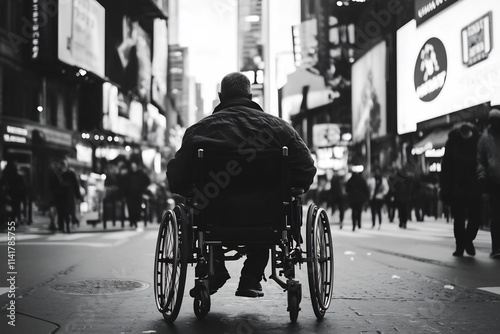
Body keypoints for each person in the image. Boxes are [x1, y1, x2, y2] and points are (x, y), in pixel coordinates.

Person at [166, 72, 316, 298]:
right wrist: (291, 188)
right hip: (268, 216)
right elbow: (305, 169)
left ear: (220, 96)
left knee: (205, 208)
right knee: (265, 210)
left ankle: (214, 269)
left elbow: (177, 178)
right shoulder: (281, 129)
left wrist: (191, 190)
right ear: (250, 94)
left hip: (214, 216)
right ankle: (251, 277)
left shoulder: (199, 131)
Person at [440, 122, 481, 257]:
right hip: (456, 187)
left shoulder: (478, 140)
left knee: (475, 217)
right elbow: (445, 168)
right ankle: (460, 246)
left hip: (474, 186)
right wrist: (445, 189)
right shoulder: (452, 142)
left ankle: (468, 240)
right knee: (459, 218)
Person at [477, 108, 500, 259]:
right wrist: (482, 175)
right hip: (493, 180)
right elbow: (480, 160)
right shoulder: (484, 139)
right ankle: (496, 247)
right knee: (496, 216)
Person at [54, 158, 82, 233]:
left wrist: (78, 196)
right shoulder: (57, 174)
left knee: (70, 212)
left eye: (64, 164)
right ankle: (63, 227)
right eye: (61, 164)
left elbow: (76, 185)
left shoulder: (70, 173)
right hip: (61, 196)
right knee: (62, 212)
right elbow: (54, 186)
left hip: (69, 196)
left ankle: (71, 223)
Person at [124, 161, 150, 228]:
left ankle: (136, 220)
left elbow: (147, 181)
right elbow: (125, 184)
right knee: (131, 208)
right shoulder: (128, 174)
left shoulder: (140, 174)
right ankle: (132, 221)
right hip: (130, 194)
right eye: (132, 167)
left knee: (137, 208)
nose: (133, 168)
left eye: (134, 167)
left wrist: (142, 189)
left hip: (138, 194)